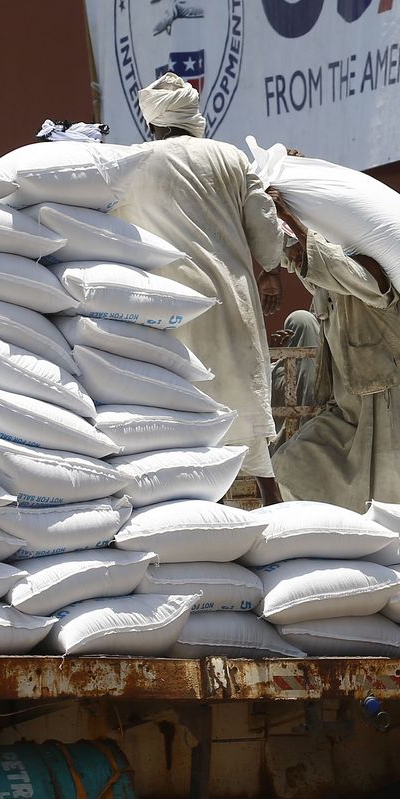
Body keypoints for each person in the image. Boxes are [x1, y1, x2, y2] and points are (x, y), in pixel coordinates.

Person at [111, 74, 292, 497]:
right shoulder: (230, 158)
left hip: (166, 310)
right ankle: (271, 509)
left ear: (153, 122)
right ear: (193, 115)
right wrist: (270, 271)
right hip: (232, 304)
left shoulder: (132, 162)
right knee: (245, 422)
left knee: (183, 427)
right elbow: (265, 229)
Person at [268, 184, 400, 510]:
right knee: (291, 467)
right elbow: (310, 264)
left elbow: (332, 264)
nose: (294, 259)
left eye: (297, 250)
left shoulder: (368, 270)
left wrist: (290, 215)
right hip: (346, 410)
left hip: (391, 409)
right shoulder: (324, 284)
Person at [270, 309, 321, 444]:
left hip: (281, 449)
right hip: (320, 442)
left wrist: (275, 354)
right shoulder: (328, 373)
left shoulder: (275, 373)